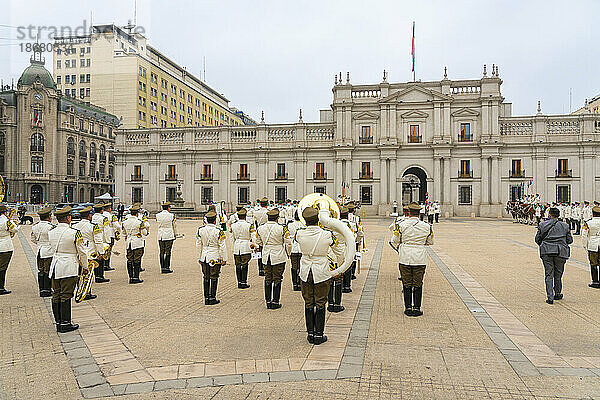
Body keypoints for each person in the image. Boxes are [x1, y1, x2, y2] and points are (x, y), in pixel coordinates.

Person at [295, 207, 340, 345]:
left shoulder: (299, 234)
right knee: (320, 302)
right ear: (318, 219)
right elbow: (335, 247)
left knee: (308, 302)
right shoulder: (327, 235)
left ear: (305, 220)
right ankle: (319, 334)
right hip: (321, 271)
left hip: (305, 271)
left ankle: (310, 333)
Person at [48, 206, 88, 333]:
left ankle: (58, 322)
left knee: (56, 293)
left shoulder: (51, 231)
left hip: (55, 265)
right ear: (68, 218)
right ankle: (65, 323)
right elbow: (82, 252)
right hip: (68, 266)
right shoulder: (74, 232)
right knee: (66, 294)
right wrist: (85, 266)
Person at [391, 202, 434, 317]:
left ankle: (408, 307)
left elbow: (394, 240)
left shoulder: (401, 225)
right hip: (420, 257)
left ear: (409, 213)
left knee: (406, 283)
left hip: (405, 256)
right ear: (419, 213)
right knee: (418, 283)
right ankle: (417, 307)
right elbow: (430, 242)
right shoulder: (427, 226)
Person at [535, 207, 572, 304]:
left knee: (548, 274)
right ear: (559, 215)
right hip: (561, 252)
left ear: (549, 215)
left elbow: (537, 239)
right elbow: (570, 240)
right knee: (558, 274)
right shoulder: (565, 226)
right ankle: (558, 293)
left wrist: (544, 244)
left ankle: (550, 297)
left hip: (547, 251)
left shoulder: (542, 224)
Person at [256, 208, 290, 309]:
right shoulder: (282, 228)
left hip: (266, 255)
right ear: (277, 218)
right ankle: (275, 301)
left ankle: (267, 301)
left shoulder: (260, 228)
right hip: (278, 255)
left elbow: (258, 242)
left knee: (268, 278)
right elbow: (287, 243)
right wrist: (288, 253)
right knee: (277, 278)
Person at [71, 206, 103, 300]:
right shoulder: (93, 226)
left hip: (78, 251)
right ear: (89, 216)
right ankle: (86, 292)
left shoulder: (74, 226)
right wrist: (101, 252)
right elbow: (98, 241)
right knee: (88, 273)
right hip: (89, 251)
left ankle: (80, 289)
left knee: (80, 272)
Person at [196, 210, 228, 305]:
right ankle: (212, 297)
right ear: (215, 221)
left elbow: (198, 244)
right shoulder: (219, 231)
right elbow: (222, 246)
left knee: (206, 276)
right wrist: (224, 258)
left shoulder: (200, 230)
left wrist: (199, 257)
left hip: (204, 256)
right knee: (214, 276)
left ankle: (206, 298)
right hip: (214, 255)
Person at [328, 206, 353, 313]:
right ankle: (337, 304)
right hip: (342, 251)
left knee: (329, 278)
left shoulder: (326, 228)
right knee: (338, 277)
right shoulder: (345, 226)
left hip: (329, 253)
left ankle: (330, 303)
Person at [122, 204, 149, 284]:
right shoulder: (139, 222)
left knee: (129, 259)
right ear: (137, 213)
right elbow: (144, 233)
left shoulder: (125, 222)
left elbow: (123, 233)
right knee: (137, 259)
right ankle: (136, 277)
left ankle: (130, 277)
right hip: (137, 242)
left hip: (129, 242)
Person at [31, 207, 54, 297]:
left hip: (39, 251)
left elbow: (33, 239)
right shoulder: (51, 227)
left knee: (41, 270)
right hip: (49, 251)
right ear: (49, 217)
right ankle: (47, 290)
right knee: (48, 270)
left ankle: (42, 289)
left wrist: (40, 243)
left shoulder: (35, 226)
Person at [230, 207, 254, 289]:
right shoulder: (249, 225)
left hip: (237, 245)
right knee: (245, 264)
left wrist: (233, 248)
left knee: (237, 264)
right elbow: (253, 237)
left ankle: (239, 281)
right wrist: (254, 247)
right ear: (245, 216)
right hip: (246, 245)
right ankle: (244, 281)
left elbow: (231, 238)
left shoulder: (233, 225)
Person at [0, 204, 19, 295]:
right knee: (2, 268)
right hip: (5, 247)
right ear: (4, 212)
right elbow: (15, 230)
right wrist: (14, 223)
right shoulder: (6, 221)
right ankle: (1, 287)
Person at [581, 206, 600, 288]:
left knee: (593, 263)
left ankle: (595, 281)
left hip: (593, 245)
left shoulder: (588, 223)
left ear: (593, 214)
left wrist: (585, 245)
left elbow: (584, 235)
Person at [91, 203, 110, 283]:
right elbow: (106, 230)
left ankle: (96, 275)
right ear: (102, 211)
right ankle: (100, 276)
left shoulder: (91, 218)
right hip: (100, 238)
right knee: (101, 258)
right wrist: (107, 241)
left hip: (92, 239)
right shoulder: (103, 218)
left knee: (95, 257)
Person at [156, 202, 176, 274]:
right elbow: (174, 225)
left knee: (161, 251)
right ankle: (167, 267)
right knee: (168, 251)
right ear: (168, 208)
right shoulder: (171, 215)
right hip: (169, 234)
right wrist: (175, 234)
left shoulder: (157, 215)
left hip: (160, 234)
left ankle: (162, 267)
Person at [286, 211, 304, 291]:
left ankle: (295, 284)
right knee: (301, 267)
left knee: (294, 267)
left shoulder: (290, 225)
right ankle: (300, 283)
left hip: (293, 247)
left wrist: (288, 252)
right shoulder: (304, 225)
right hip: (302, 247)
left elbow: (288, 239)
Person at [253, 197, 270, 276]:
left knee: (259, 249)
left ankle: (260, 269)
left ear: (260, 204)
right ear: (267, 204)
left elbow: (254, 222)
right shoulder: (268, 212)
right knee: (266, 249)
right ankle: (265, 267)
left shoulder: (256, 212)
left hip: (259, 230)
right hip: (266, 231)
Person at [102, 203, 120, 271]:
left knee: (102, 250)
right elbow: (117, 226)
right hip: (110, 235)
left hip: (101, 235)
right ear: (109, 209)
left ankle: (102, 264)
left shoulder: (101, 216)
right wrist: (118, 232)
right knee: (108, 250)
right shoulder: (112, 216)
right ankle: (106, 265)